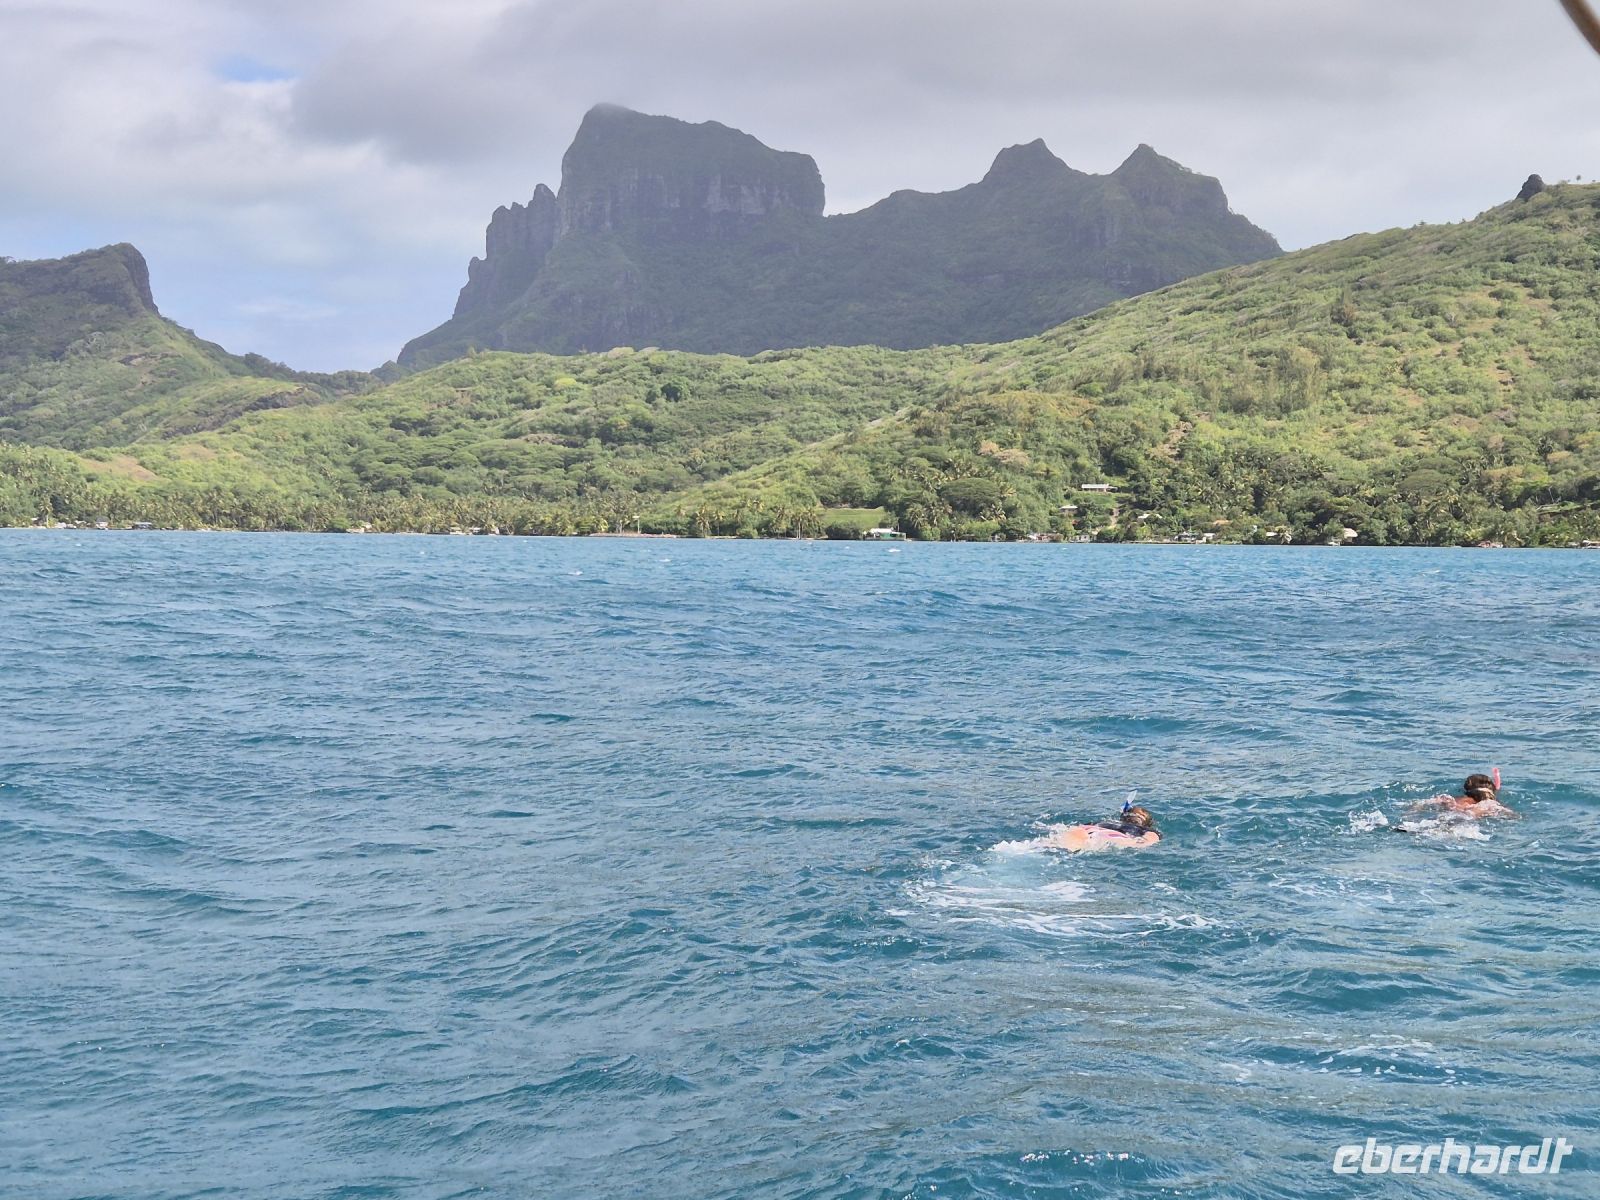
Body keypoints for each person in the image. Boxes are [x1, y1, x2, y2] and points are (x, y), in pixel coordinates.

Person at [1044, 802, 1161, 852]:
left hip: (1088, 830)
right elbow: (1148, 841)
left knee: (1061, 844)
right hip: (1114, 837)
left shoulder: (1103, 821)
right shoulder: (1147, 830)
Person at [1409, 771, 1515, 821]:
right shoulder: (1490, 804)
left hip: (1451, 814)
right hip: (1468, 821)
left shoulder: (1454, 799)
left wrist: (1411, 813)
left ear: (1466, 789)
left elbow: (1422, 803)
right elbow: (1511, 816)